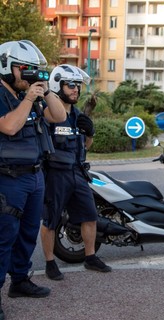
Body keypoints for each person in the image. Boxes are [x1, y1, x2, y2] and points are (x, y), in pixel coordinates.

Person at [40, 64, 126, 281]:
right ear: (57, 85)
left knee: (89, 215)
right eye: (70, 85)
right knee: (51, 219)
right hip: (55, 174)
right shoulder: (47, 110)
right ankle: (50, 262)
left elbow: (85, 146)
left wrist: (90, 132)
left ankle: (90, 257)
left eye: (77, 85)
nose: (76, 89)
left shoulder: (78, 115)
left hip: (77, 172)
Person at [0, 40, 66, 320]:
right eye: (24, 69)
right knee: (4, 238)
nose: (29, 75)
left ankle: (20, 281)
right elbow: (10, 127)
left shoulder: (30, 94)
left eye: (34, 70)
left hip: (35, 175)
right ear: (6, 66)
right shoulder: (6, 96)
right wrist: (28, 98)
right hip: (8, 178)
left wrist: (45, 90)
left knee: (27, 234)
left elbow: (59, 116)